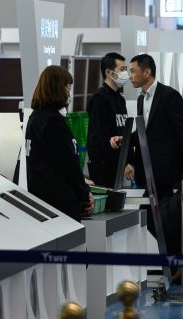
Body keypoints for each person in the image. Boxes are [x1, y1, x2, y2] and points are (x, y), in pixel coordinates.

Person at [25, 65, 93, 221]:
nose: (69, 92)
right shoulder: (52, 122)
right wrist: (84, 192)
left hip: (43, 199)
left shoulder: (36, 118)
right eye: (68, 87)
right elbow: (67, 163)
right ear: (57, 88)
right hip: (59, 202)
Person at [130, 53, 183, 201]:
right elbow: (144, 132)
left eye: (133, 71)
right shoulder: (141, 99)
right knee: (150, 213)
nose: (130, 76)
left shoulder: (169, 95)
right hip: (148, 170)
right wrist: (124, 140)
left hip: (166, 170)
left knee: (164, 214)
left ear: (147, 72)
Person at [86, 52, 137, 188]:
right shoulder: (99, 99)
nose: (125, 73)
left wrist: (130, 160)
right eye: (122, 69)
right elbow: (101, 137)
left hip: (119, 164)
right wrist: (122, 163)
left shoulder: (120, 99)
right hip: (103, 166)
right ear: (109, 72)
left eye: (126, 69)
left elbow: (125, 132)